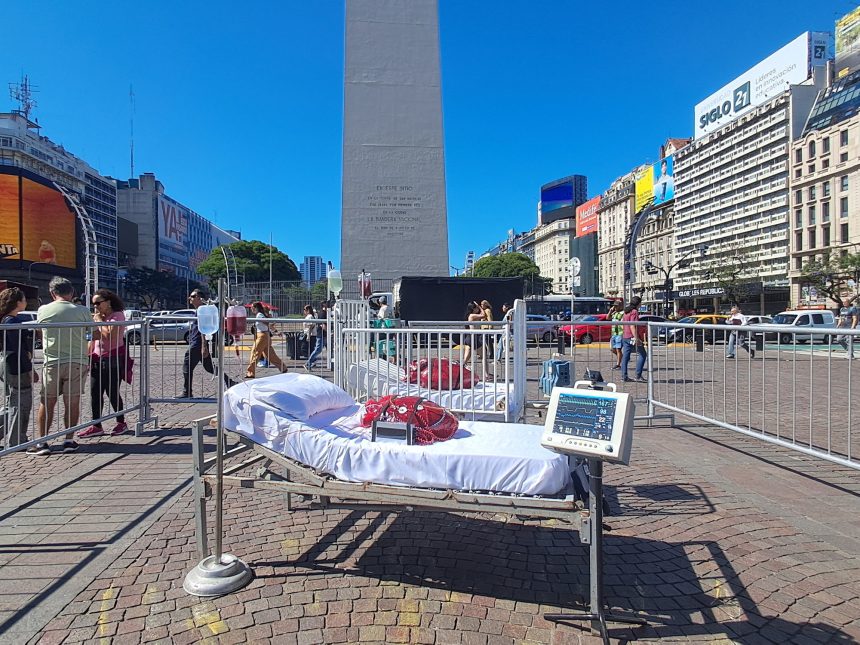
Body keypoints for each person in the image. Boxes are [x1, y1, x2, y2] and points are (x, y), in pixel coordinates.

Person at [34, 277, 91, 455]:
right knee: (72, 401)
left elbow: (39, 331)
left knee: (47, 401)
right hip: (76, 361)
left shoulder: (43, 310)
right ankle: (69, 439)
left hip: (52, 361)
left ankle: (42, 442)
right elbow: (95, 334)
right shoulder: (82, 310)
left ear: (52, 293)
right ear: (72, 293)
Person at [79, 289, 130, 439]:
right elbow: (94, 337)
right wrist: (88, 355)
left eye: (98, 303)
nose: (95, 307)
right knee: (95, 393)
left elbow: (110, 335)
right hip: (97, 358)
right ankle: (96, 425)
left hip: (113, 359)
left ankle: (121, 422)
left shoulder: (117, 315)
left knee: (112, 392)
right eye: (93, 304)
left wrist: (98, 322)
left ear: (108, 302)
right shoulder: (99, 317)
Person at [0, 288, 37, 448]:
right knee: (20, 402)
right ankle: (17, 440)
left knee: (12, 402)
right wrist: (30, 369)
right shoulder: (12, 322)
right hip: (16, 366)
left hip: (8, 364)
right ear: (17, 302)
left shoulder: (5, 320)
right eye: (24, 299)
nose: (26, 302)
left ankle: (16, 438)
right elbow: (19, 349)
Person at [182, 289, 236, 398]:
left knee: (187, 366)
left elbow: (204, 329)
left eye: (192, 296)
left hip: (197, 343)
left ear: (199, 298)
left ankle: (187, 392)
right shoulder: (201, 310)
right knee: (209, 367)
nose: (190, 299)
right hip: (197, 342)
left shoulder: (203, 310)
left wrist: (204, 346)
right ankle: (230, 382)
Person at [246, 302, 286, 378]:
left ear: (256, 308)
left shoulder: (259, 315)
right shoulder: (261, 314)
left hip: (262, 336)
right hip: (265, 336)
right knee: (271, 355)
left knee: (255, 353)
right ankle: (283, 367)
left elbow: (267, 323)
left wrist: (271, 324)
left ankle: (250, 372)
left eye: (252, 307)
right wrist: (275, 331)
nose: (251, 309)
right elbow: (268, 324)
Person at [620, 296, 647, 383]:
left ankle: (624, 376)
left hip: (625, 336)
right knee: (642, 354)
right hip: (632, 336)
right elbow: (632, 325)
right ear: (638, 304)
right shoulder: (634, 312)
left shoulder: (626, 312)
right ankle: (638, 375)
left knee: (625, 357)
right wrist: (637, 338)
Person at [303, 304, 323, 371]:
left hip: (311, 335)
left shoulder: (309, 316)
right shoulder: (311, 316)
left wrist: (308, 335)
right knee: (311, 349)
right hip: (311, 334)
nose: (304, 311)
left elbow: (310, 326)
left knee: (309, 350)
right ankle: (312, 362)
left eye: (304, 310)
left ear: (308, 310)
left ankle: (310, 363)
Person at [608, 300, 625, 370]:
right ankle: (622, 357)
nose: (615, 307)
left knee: (618, 349)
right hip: (614, 333)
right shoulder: (614, 313)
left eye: (616, 306)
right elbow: (607, 318)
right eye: (614, 305)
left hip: (620, 333)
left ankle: (618, 364)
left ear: (621, 306)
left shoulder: (623, 313)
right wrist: (610, 311)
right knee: (612, 349)